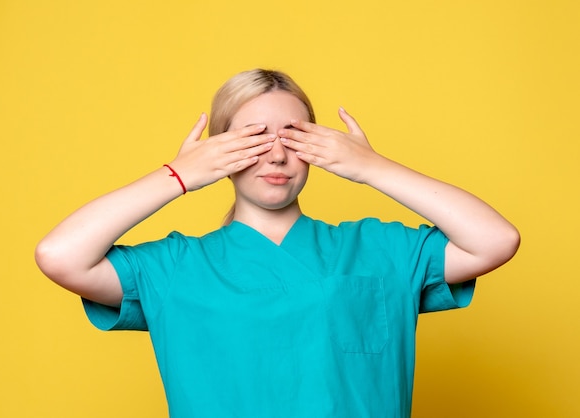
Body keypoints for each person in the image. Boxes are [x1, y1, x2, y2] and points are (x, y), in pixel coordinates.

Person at [35, 69, 520, 417]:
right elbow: (60, 256)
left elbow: (495, 240)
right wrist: (180, 175)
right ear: (220, 152)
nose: (279, 154)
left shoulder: (378, 250)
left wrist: (372, 167)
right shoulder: (175, 267)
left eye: (296, 136)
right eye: (252, 138)